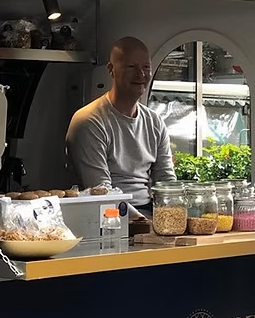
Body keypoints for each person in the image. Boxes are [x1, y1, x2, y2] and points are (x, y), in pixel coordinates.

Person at [66, 36, 175, 212]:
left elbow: (166, 181)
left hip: (149, 213)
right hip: (107, 216)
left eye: (146, 67)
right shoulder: (90, 121)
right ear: (111, 70)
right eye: (131, 67)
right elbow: (101, 191)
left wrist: (170, 216)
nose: (140, 75)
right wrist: (141, 221)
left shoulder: (154, 122)